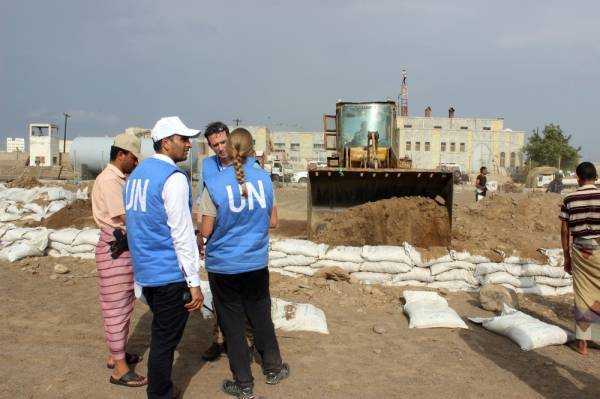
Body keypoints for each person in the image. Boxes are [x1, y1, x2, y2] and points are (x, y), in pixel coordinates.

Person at [201, 128, 289, 398]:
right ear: (252, 150)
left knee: (232, 323)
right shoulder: (264, 179)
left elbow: (205, 231)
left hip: (224, 265)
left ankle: (243, 383)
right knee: (261, 314)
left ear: (228, 147)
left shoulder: (214, 184)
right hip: (255, 262)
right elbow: (272, 221)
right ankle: (273, 367)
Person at [125, 116, 204, 399]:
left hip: (146, 273)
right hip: (169, 274)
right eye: (183, 139)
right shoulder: (173, 179)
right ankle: (160, 393)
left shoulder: (137, 176)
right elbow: (181, 233)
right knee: (163, 343)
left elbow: (136, 226)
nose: (188, 144)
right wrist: (193, 282)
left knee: (161, 335)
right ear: (166, 143)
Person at [198, 121, 257, 362]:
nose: (220, 148)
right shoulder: (208, 167)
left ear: (231, 140)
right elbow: (203, 206)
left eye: (223, 142)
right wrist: (201, 237)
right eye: (215, 146)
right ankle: (218, 340)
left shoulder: (249, 166)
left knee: (245, 299)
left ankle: (247, 342)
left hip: (242, 244)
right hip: (218, 245)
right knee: (220, 297)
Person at [91, 133, 146, 388]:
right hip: (116, 247)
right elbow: (126, 219)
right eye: (133, 158)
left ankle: (117, 355)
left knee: (123, 307)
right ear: (121, 154)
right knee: (115, 309)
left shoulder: (119, 179)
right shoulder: (110, 181)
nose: (135, 163)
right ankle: (120, 371)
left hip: (121, 248)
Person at [559, 161, 600, 355]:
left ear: (578, 178)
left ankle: (582, 343)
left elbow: (564, 229)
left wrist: (566, 257)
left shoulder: (569, 198)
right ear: (596, 178)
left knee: (583, 294)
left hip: (581, 249)